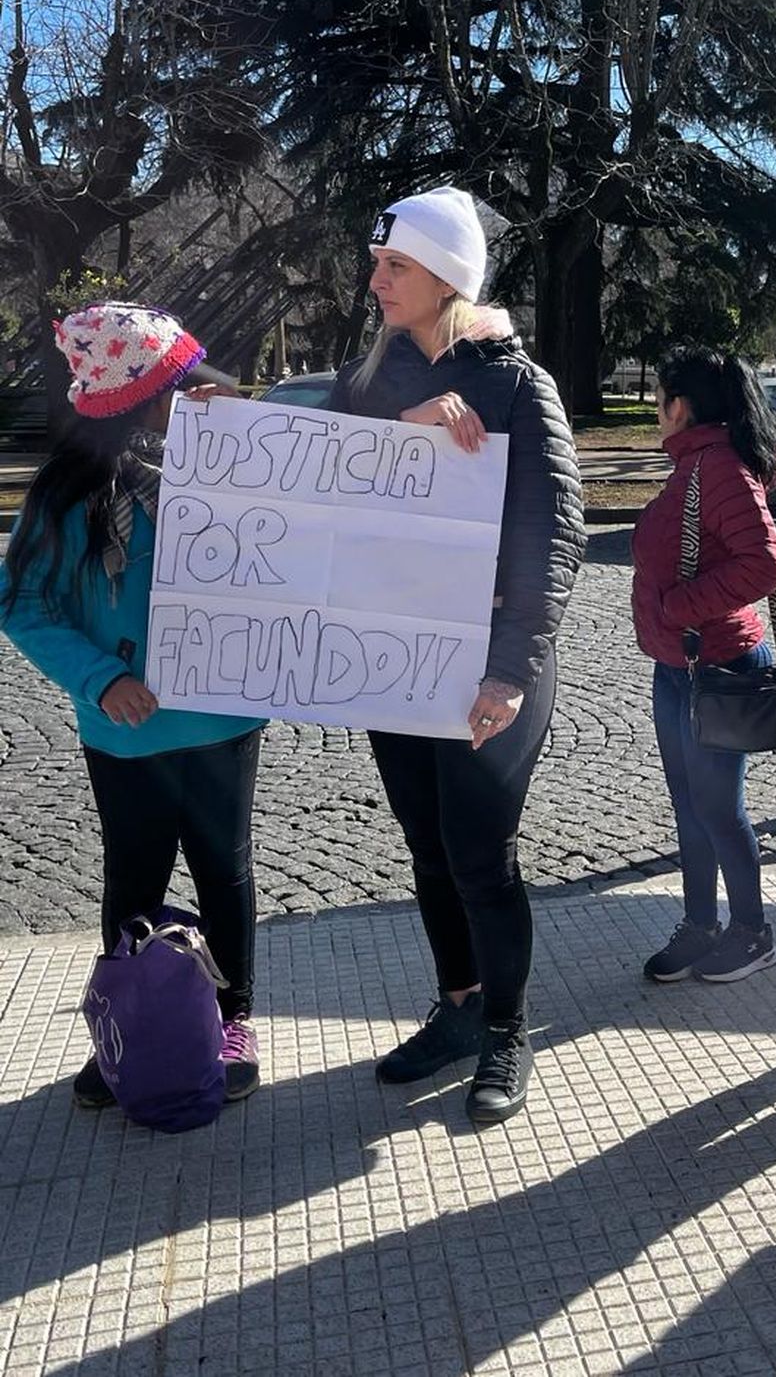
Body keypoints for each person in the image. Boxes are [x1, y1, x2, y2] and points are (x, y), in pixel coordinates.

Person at [328, 186, 585, 1126]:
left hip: (488, 661)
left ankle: (509, 1029)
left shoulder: (520, 385)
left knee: (481, 854)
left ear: (446, 278)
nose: (376, 278)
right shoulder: (368, 381)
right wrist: (405, 432)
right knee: (428, 848)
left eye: (394, 265)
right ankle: (459, 1005)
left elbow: (552, 538)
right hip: (396, 657)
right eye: (379, 261)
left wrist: (510, 671)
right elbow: (326, 492)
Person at [0, 303, 265, 1106]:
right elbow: (21, 603)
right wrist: (99, 678)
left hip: (224, 714)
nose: (197, 391)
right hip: (126, 727)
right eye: (178, 384)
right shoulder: (66, 493)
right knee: (135, 879)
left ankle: (230, 1015)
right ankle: (135, 1018)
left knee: (225, 869)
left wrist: (244, 440)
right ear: (139, 400)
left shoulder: (229, 459)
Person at [632, 348, 776, 984]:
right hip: (679, 667)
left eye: (659, 400)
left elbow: (766, 563)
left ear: (680, 405)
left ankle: (753, 933)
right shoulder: (693, 463)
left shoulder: (718, 466)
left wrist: (677, 606)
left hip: (717, 667)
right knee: (690, 805)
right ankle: (701, 925)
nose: (656, 414)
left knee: (719, 809)